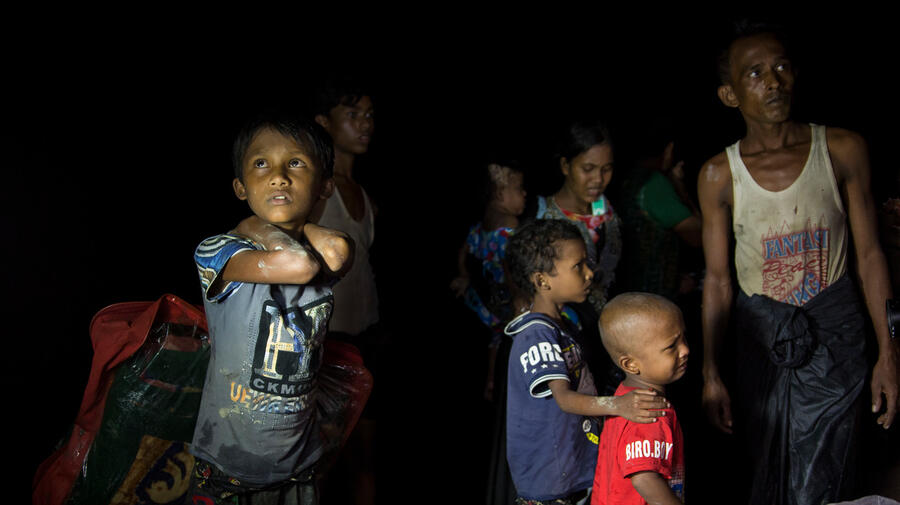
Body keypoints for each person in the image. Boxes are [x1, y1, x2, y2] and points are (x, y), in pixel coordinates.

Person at [698, 22, 899, 505]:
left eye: (781, 67)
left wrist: (889, 352)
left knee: (829, 476)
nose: (773, 81)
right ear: (729, 94)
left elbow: (870, 255)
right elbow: (719, 282)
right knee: (768, 473)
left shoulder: (841, 149)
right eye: (755, 73)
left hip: (837, 343)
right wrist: (710, 372)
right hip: (763, 348)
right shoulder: (719, 175)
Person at [188, 113, 352, 504]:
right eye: (261, 163)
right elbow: (298, 265)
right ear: (240, 186)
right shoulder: (219, 251)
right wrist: (252, 225)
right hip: (228, 466)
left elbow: (334, 251)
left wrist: (281, 224)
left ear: (325, 185)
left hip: (299, 463)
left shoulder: (325, 252)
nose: (279, 177)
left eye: (296, 163)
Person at [504, 219, 670, 505]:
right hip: (550, 486)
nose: (589, 273)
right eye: (578, 266)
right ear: (542, 281)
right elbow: (565, 399)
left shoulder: (564, 326)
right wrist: (618, 405)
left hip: (572, 474)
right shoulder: (536, 334)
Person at [311, 81, 380, 505]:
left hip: (366, 339)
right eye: (353, 114)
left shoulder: (366, 197)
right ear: (324, 122)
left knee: (365, 459)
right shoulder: (317, 189)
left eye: (369, 115)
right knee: (320, 460)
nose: (365, 124)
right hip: (326, 343)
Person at [533, 119, 622, 395]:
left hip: (609, 335)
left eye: (606, 169)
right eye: (588, 169)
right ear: (565, 166)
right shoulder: (542, 219)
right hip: (574, 344)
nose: (598, 179)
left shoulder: (604, 207)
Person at [592, 293, 689, 505]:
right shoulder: (649, 411)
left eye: (684, 338)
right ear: (631, 364)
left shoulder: (625, 396)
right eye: (671, 347)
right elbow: (644, 478)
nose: (685, 350)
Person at [450, 160, 526, 399]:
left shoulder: (483, 223)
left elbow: (463, 250)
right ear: (501, 194)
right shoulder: (509, 225)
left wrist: (463, 274)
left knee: (494, 339)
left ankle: (490, 381)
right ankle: (497, 382)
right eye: (519, 188)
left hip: (479, 297)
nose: (525, 194)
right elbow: (509, 266)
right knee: (503, 336)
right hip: (501, 298)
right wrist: (519, 296)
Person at [616, 119, 701, 301]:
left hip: (627, 292)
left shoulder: (627, 180)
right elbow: (697, 236)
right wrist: (680, 188)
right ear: (669, 149)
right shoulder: (655, 184)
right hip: (653, 296)